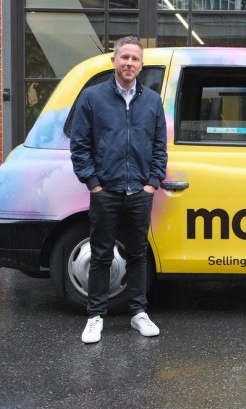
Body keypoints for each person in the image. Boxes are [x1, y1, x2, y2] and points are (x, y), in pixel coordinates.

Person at [70, 36, 167, 344]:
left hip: (139, 191)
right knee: (101, 255)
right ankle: (95, 316)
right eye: (124, 57)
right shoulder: (92, 97)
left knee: (138, 254)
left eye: (135, 59)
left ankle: (139, 313)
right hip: (106, 191)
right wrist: (93, 184)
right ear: (114, 60)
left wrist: (152, 184)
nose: (129, 63)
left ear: (141, 64)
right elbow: (79, 145)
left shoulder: (152, 101)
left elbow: (160, 147)